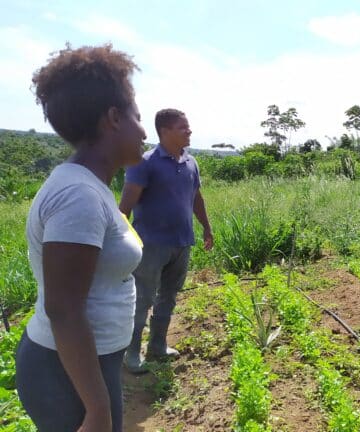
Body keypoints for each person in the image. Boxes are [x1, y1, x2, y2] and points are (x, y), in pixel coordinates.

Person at [16, 44, 146, 432]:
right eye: (137, 118)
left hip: (83, 366)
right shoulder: (79, 196)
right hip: (64, 375)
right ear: (113, 119)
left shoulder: (91, 188)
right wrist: (98, 408)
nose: (143, 132)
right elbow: (64, 309)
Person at [119, 108, 213, 373]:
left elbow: (196, 198)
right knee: (143, 299)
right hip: (150, 245)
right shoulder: (145, 162)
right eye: (183, 127)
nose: (189, 131)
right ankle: (132, 353)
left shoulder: (190, 162)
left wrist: (206, 227)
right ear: (165, 131)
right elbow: (125, 207)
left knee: (168, 297)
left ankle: (157, 346)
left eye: (188, 126)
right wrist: (119, 242)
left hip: (181, 242)